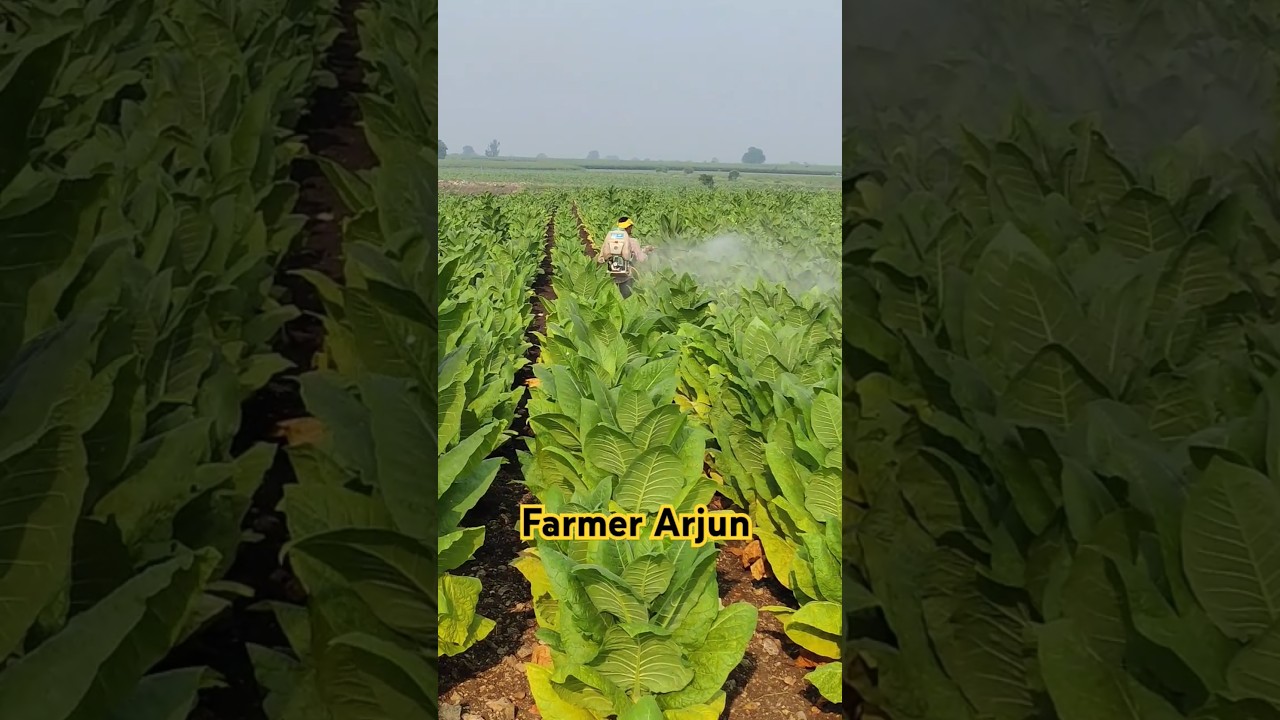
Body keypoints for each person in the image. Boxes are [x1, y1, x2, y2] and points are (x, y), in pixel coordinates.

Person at [596, 216, 654, 298]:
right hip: (626, 278)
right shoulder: (633, 241)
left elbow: (601, 258)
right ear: (628, 227)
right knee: (626, 300)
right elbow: (641, 259)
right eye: (631, 227)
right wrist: (647, 251)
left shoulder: (610, 238)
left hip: (610, 278)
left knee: (613, 300)